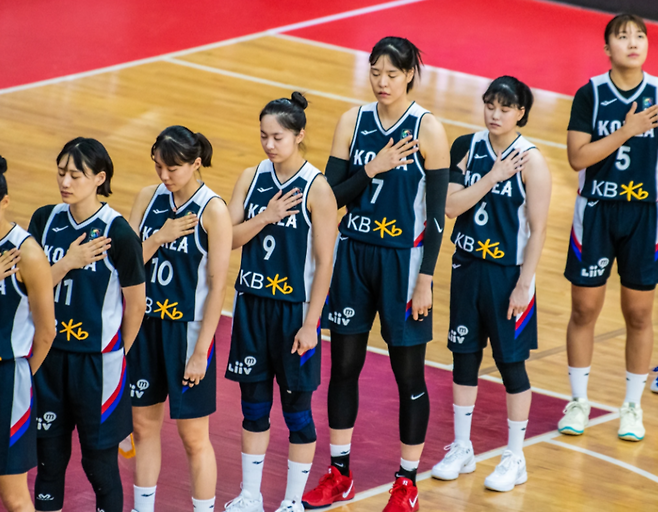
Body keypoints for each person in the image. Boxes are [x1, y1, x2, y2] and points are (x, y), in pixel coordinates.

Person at [302, 37, 450, 512]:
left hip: (403, 265)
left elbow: (438, 216)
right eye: (375, 72)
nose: (382, 82)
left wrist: (426, 278)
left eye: (392, 73)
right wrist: (372, 168)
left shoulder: (428, 130)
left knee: (408, 374)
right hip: (353, 256)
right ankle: (339, 473)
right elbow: (329, 199)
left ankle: (406, 482)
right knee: (344, 367)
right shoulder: (353, 121)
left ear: (409, 75)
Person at [429, 76, 551, 492]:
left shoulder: (532, 161)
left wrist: (524, 284)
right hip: (466, 267)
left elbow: (538, 231)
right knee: (463, 357)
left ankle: (515, 456)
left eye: (505, 107)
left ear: (521, 112)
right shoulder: (467, 147)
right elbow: (449, 207)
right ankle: (462, 448)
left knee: (510, 364)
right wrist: (493, 176)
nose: (495, 114)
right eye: (490, 105)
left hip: (507, 276)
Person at [223, 92, 336, 512]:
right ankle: (250, 495)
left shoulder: (317, 188)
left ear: (299, 135)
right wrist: (266, 217)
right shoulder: (250, 177)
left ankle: (292, 500)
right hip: (251, 307)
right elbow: (227, 239)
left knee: (297, 413)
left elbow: (325, 263)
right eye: (264, 136)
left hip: (294, 314)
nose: (269, 145)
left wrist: (311, 324)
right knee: (253, 409)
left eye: (278, 137)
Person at [28, 138, 146, 512]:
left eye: (75, 175)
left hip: (97, 367)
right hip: (49, 358)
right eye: (61, 172)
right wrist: (67, 262)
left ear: (99, 178)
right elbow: (30, 288)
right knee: (48, 463)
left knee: (100, 467)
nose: (65, 182)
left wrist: (117, 353)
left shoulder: (119, 233)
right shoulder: (45, 220)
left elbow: (136, 305)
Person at [560, 13, 658, 442]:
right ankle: (578, 401)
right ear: (607, 48)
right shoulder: (591, 93)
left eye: (640, 36)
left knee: (639, 314)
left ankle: (632, 407)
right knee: (584, 309)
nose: (633, 43)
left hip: (645, 214)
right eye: (622, 36)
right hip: (596, 212)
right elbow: (577, 158)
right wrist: (628, 130)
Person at [128, 126, 232, 512]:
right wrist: (159, 237)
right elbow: (126, 267)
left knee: (193, 437)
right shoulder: (147, 198)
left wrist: (201, 352)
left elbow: (218, 287)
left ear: (196, 163)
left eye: (172, 168)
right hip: (145, 328)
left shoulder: (213, 210)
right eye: (158, 166)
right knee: (143, 428)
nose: (164, 175)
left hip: (186, 333)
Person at [0, 155, 56, 512]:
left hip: (8, 377)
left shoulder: (27, 253)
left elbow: (47, 331)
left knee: (14, 495)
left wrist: (21, 375)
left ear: (5, 201)